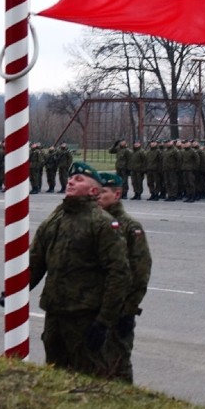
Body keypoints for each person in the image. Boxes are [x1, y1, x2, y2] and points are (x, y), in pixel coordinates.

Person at [28, 162, 132, 378]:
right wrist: (14, 292)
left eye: (79, 179)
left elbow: (118, 274)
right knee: (55, 376)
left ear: (94, 190)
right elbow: (36, 262)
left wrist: (104, 322)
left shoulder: (102, 223)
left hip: (85, 317)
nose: (71, 181)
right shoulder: (55, 220)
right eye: (70, 178)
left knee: (88, 379)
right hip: (55, 314)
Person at [97, 172, 152, 383]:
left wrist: (129, 309)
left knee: (118, 363)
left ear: (117, 194)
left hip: (119, 309)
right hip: (95, 305)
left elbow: (141, 271)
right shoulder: (95, 221)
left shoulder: (129, 226)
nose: (98, 196)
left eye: (104, 192)